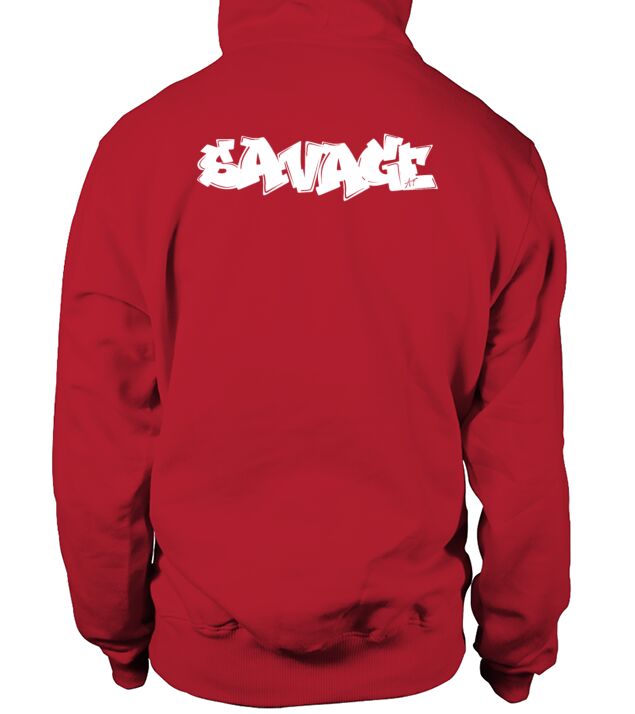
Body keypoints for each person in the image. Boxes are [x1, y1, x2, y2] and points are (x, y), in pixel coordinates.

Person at [53, 0, 570, 706]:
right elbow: (522, 441)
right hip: (413, 655)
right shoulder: (493, 155)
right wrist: (516, 645)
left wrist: (116, 628)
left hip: (202, 648)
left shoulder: (140, 150)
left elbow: (102, 426)